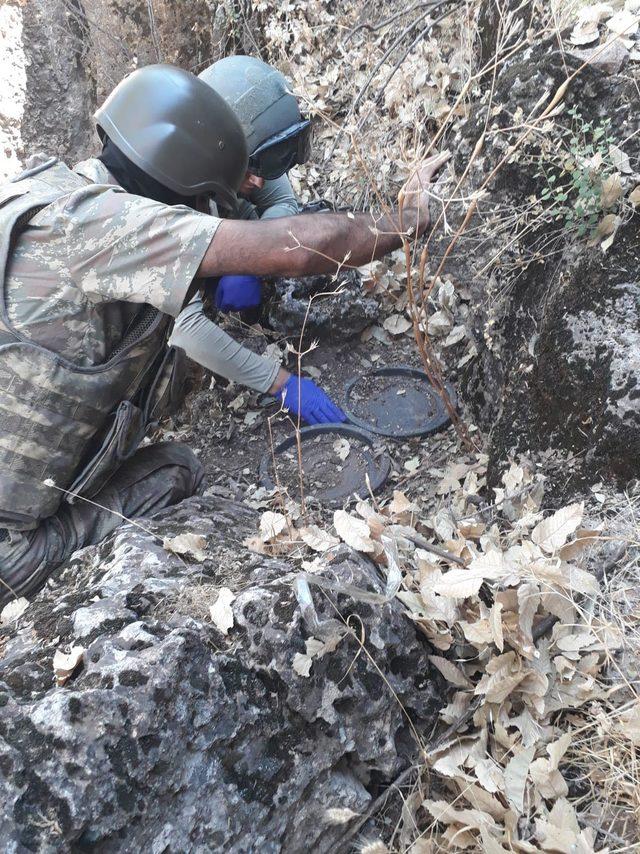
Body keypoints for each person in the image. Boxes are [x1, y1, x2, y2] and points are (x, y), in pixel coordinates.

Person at [0, 63, 448, 605]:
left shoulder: (53, 188)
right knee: (176, 473)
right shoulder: (102, 225)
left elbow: (279, 208)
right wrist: (406, 222)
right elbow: (305, 247)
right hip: (10, 540)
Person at [169, 55, 308, 383]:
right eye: (249, 168)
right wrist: (279, 383)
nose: (259, 181)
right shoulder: (170, 194)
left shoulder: (247, 143)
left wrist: (248, 256)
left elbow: (283, 200)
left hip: (222, 223)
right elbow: (184, 329)